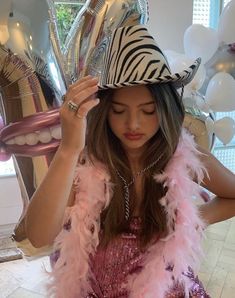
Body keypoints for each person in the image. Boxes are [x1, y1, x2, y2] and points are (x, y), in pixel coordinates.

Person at [25, 25, 235, 298]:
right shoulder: (87, 164)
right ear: (103, 110)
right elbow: (38, 236)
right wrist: (68, 149)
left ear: (165, 108)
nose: (133, 124)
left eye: (148, 111)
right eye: (119, 110)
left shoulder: (183, 157)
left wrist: (187, 223)